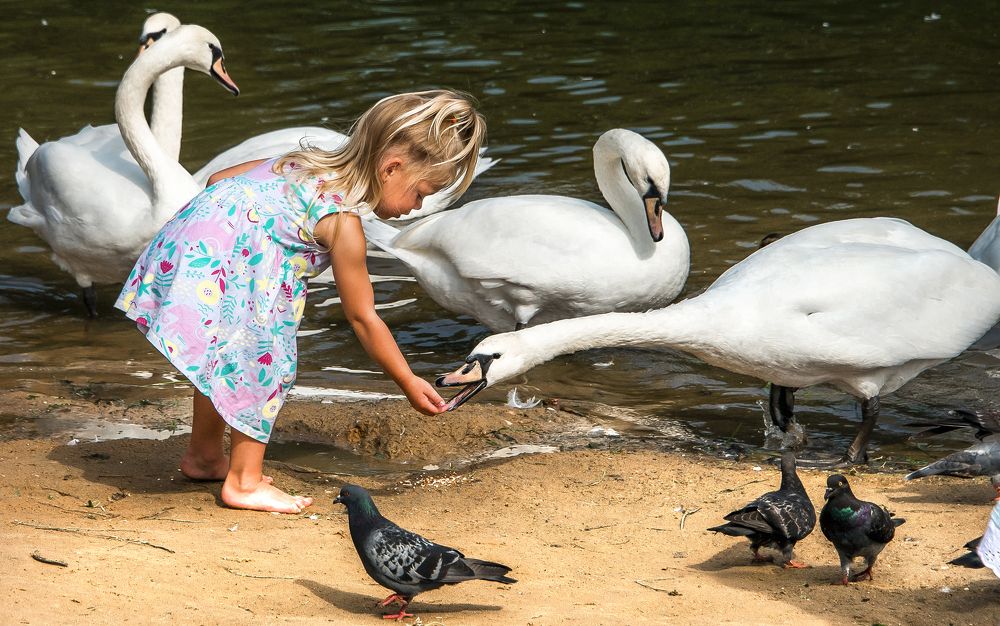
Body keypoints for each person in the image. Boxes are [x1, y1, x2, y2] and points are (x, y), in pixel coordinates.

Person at [115, 90, 487, 513]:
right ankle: (244, 481)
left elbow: (220, 180)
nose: (416, 207)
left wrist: (251, 234)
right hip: (229, 261)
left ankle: (204, 456)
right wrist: (407, 381)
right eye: (420, 193)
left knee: (223, 356)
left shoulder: (299, 162)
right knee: (265, 361)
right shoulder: (342, 223)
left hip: (187, 247)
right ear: (391, 168)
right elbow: (363, 317)